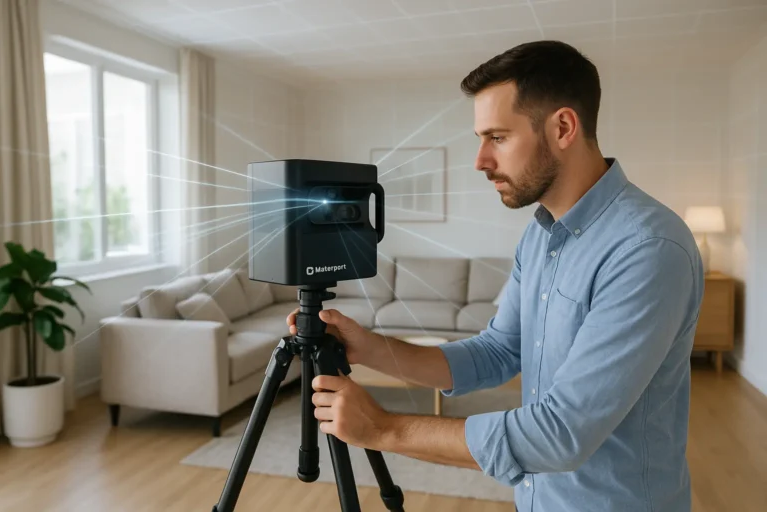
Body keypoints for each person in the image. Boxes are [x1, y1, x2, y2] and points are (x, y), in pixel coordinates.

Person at [287, 40, 704, 512]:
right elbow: (498, 352)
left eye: (498, 137)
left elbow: (560, 435)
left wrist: (383, 428)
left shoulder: (647, 249)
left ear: (563, 127)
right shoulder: (540, 236)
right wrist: (371, 349)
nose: (481, 160)